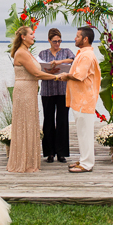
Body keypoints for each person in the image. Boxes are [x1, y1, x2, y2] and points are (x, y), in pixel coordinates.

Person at [7, 26, 59, 173]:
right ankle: (23, 163)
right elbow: (36, 73)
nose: (33, 35)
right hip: (24, 90)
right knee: (24, 123)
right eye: (31, 33)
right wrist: (57, 77)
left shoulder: (27, 52)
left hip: (30, 89)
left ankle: (30, 161)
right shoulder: (21, 53)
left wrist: (52, 69)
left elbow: (39, 69)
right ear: (23, 37)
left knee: (30, 123)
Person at [60, 26, 102, 174]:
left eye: (77, 36)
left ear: (85, 39)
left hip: (84, 100)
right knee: (82, 132)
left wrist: (65, 75)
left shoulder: (86, 56)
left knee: (85, 133)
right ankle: (84, 159)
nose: (74, 38)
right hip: (80, 99)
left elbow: (79, 75)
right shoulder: (83, 54)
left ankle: (87, 163)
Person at [38, 28, 75, 164]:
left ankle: (61, 153)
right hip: (47, 91)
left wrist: (59, 63)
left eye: (59, 41)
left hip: (63, 91)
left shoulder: (66, 51)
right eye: (54, 41)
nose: (57, 44)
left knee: (62, 121)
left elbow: (73, 59)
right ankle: (49, 153)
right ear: (49, 40)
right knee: (48, 121)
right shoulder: (43, 53)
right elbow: (38, 67)